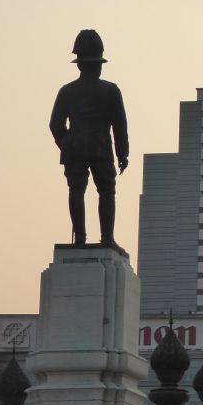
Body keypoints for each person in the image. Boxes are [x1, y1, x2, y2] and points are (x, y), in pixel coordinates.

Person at [49, 29, 129, 247]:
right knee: (106, 192)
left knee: (76, 191)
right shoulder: (111, 91)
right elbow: (119, 127)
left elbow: (55, 125)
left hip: (75, 147)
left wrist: (67, 144)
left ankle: (81, 239)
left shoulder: (67, 91)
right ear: (99, 64)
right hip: (101, 148)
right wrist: (123, 154)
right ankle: (106, 238)